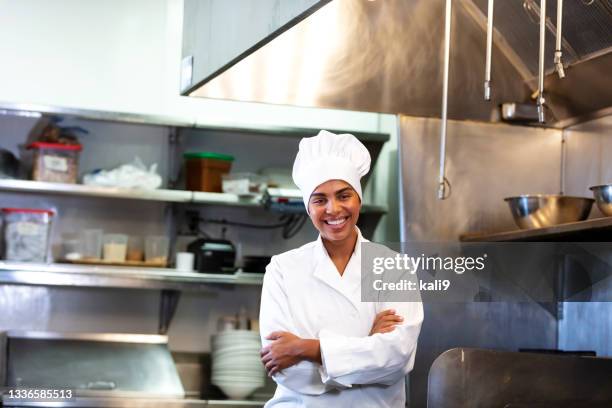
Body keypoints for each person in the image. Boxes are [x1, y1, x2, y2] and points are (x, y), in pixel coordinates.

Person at [258, 130, 423, 407]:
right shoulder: (283, 270)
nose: (333, 209)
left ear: (358, 199)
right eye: (320, 199)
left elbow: (398, 358)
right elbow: (287, 370)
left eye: (343, 195)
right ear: (308, 208)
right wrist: (368, 345)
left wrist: (308, 348)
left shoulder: (395, 268)